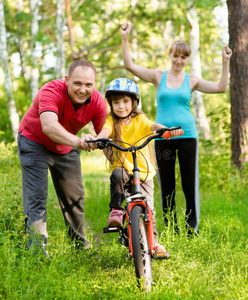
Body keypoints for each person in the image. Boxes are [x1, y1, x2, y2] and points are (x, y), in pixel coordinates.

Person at [121, 22, 232, 235]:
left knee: (189, 183)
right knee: (167, 184)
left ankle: (192, 228)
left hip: (188, 136)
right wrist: (125, 38)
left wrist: (225, 61)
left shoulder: (192, 80)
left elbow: (221, 88)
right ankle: (171, 228)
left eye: (184, 57)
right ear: (170, 55)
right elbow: (130, 66)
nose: (179, 60)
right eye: (176, 55)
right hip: (163, 138)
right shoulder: (158, 76)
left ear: (187, 58)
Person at [18, 59, 108, 256]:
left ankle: (81, 250)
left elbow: (105, 133)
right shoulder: (51, 90)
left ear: (94, 84)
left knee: (75, 199)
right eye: (77, 83)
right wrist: (78, 142)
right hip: (34, 142)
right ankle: (37, 255)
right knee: (37, 200)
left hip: (66, 147)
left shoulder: (98, 102)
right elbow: (48, 126)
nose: (82, 89)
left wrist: (96, 140)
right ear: (67, 80)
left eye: (88, 84)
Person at [93, 78, 180, 256]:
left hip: (144, 172)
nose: (121, 106)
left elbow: (152, 126)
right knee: (116, 174)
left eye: (125, 101)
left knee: (149, 208)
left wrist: (165, 130)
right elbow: (105, 131)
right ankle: (116, 211)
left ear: (134, 102)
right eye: (116, 102)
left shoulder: (140, 119)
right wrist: (100, 138)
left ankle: (153, 243)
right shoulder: (111, 120)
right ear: (111, 104)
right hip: (124, 168)